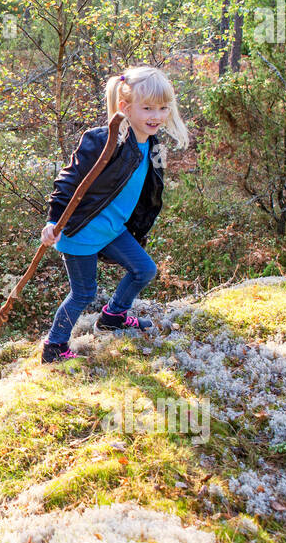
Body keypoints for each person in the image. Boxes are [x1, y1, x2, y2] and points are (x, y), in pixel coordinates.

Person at [39, 66, 190, 363]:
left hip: (113, 229)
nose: (156, 116)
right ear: (125, 108)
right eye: (147, 108)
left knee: (144, 269)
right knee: (83, 294)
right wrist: (54, 220)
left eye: (162, 108)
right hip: (81, 230)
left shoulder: (153, 145)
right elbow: (69, 179)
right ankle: (54, 347)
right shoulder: (102, 141)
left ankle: (113, 316)